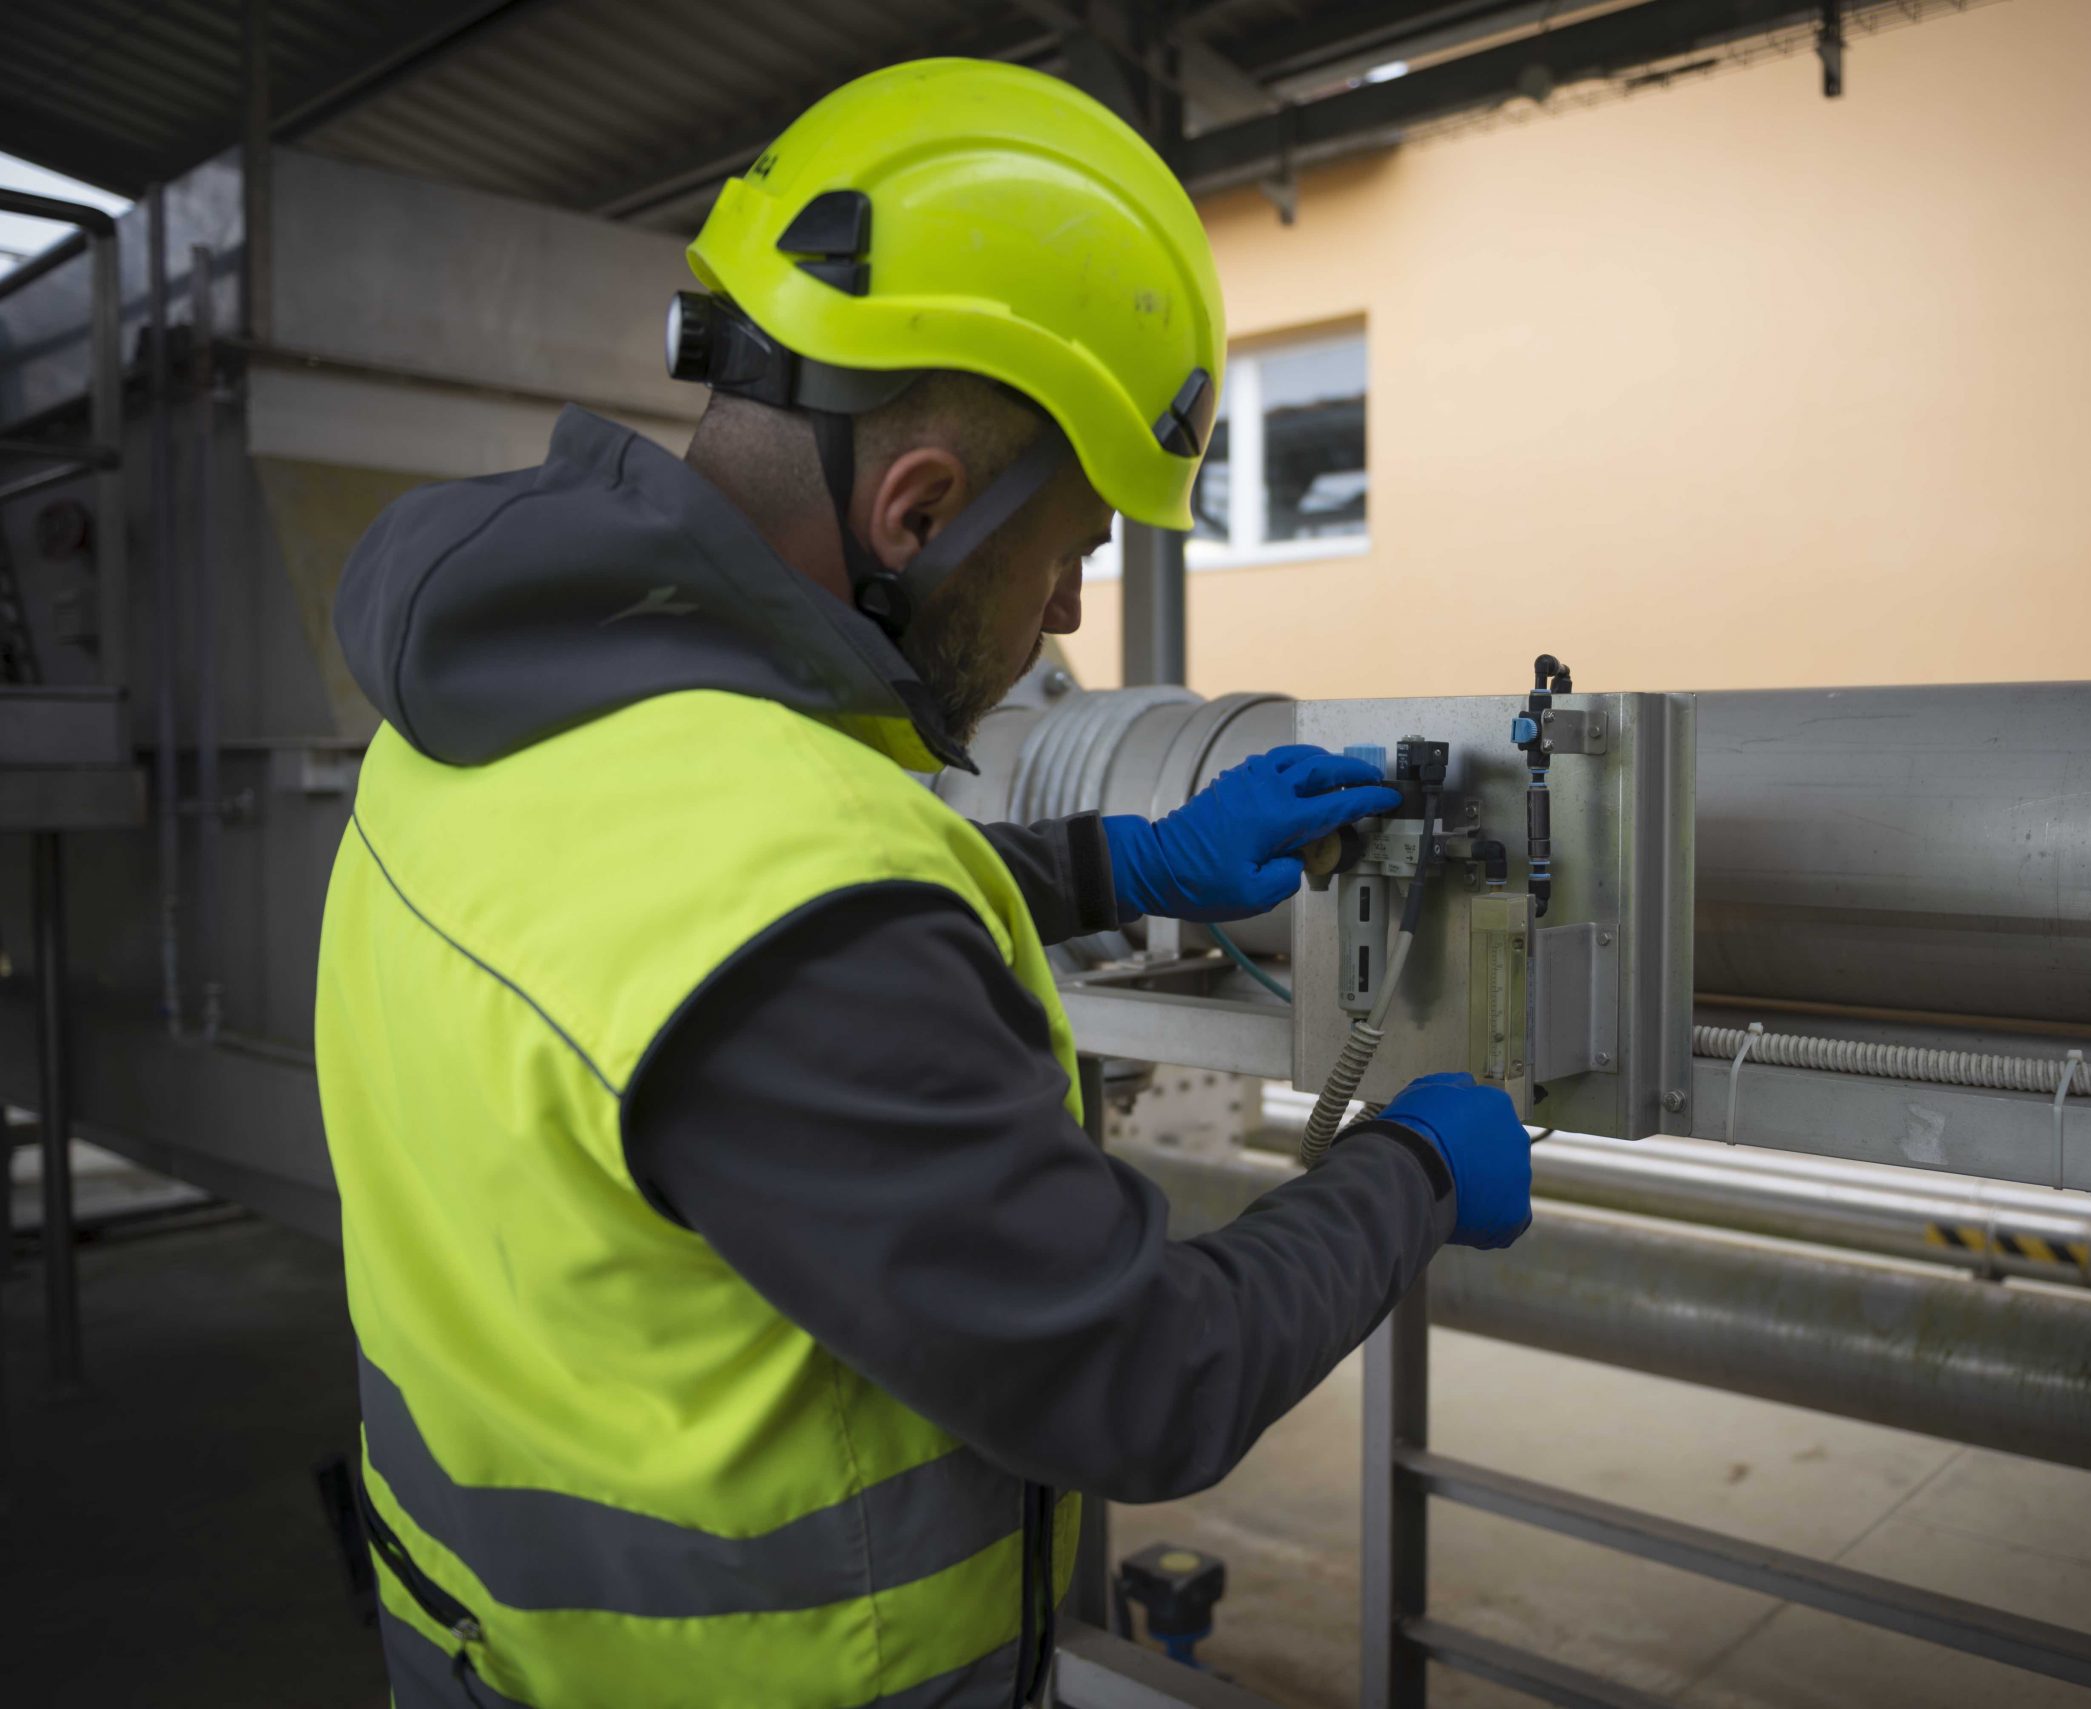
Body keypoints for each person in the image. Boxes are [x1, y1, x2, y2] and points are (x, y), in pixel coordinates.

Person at [314, 58, 1534, 1709]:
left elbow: (718, 912)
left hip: (486, 1649)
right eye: (1075, 551)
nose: (1067, 620)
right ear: (922, 507)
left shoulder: (486, 718)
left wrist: (1125, 856)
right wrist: (1412, 1171)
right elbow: (1143, 1373)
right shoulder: (790, 891)